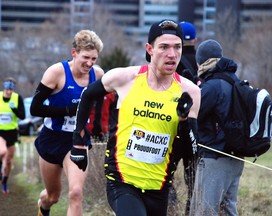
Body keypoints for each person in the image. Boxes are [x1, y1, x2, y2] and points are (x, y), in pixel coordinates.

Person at [70, 19, 201, 216]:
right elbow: (87, 95)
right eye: (164, 47)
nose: (172, 54)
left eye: (177, 47)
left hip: (159, 185)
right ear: (149, 49)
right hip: (122, 180)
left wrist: (183, 122)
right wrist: (78, 142)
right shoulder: (125, 78)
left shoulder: (190, 91)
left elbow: (191, 151)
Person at [30, 29, 104, 216]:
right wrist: (67, 111)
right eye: (85, 57)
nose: (89, 63)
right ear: (74, 53)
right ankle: (43, 206)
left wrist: (96, 126)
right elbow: (35, 109)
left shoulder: (98, 75)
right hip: (52, 139)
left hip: (77, 140)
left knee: (76, 193)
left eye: (94, 59)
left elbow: (101, 101)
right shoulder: (56, 73)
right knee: (53, 197)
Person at [190, 39, 245, 216]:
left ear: (202, 61)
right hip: (235, 157)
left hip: (215, 157)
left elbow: (193, 113)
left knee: (204, 210)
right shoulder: (233, 80)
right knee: (227, 210)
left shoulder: (212, 86)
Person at [169, 21, 199, 216]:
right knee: (193, 180)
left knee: (165, 175)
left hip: (172, 127)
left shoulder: (171, 61)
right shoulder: (202, 61)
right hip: (195, 130)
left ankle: (168, 209)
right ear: (195, 40)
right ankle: (191, 211)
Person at [0, 77, 25, 195]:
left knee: (9, 161)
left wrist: (14, 109)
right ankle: (0, 167)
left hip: (12, 132)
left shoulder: (17, 98)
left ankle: (4, 181)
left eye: (11, 89)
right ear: (4, 87)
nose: (9, 91)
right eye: (7, 89)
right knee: (2, 151)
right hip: (0, 132)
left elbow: (23, 116)